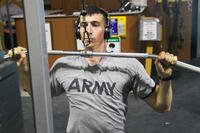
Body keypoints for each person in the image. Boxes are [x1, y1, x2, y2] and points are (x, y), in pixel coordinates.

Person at [8, 6, 177, 133]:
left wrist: (165, 78)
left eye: (95, 24)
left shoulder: (128, 65)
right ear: (78, 31)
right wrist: (23, 68)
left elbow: (162, 106)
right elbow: (36, 93)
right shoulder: (64, 64)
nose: (87, 30)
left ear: (107, 31)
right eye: (83, 25)